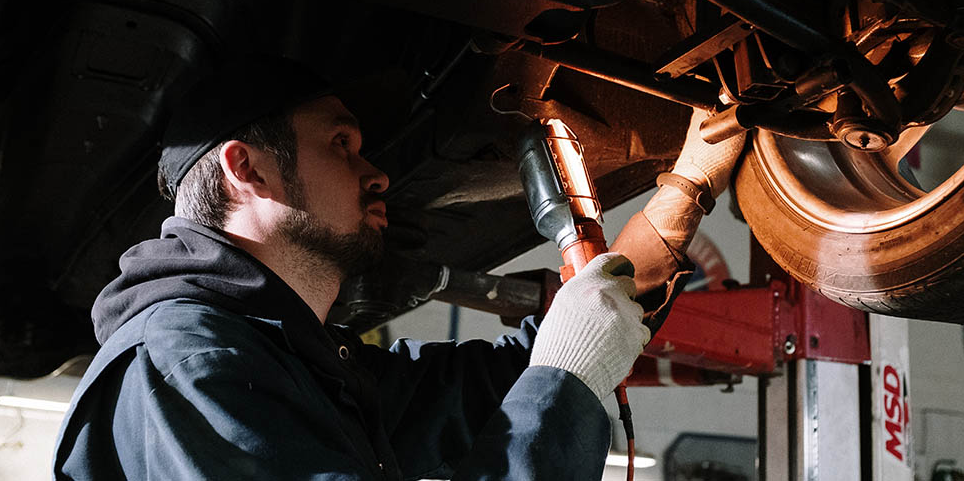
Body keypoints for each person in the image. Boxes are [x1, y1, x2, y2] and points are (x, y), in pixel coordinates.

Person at [52, 55, 743, 480]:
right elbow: (554, 381)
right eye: (341, 144)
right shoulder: (184, 365)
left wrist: (684, 194)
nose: (377, 173)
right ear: (246, 168)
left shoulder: (291, 365)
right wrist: (568, 380)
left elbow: (504, 388)